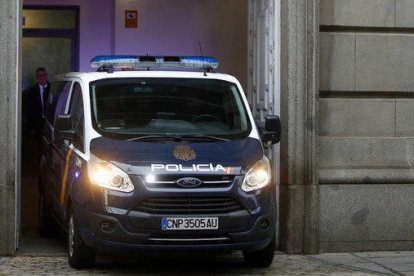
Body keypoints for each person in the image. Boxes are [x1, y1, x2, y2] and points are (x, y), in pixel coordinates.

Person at [27, 67, 50, 140]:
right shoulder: (32, 91)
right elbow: (30, 110)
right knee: (39, 146)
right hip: (38, 124)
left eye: (43, 75)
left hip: (50, 123)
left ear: (47, 76)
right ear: (37, 78)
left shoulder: (53, 89)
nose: (42, 77)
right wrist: (32, 127)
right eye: (39, 76)